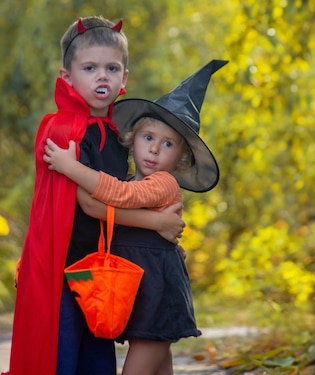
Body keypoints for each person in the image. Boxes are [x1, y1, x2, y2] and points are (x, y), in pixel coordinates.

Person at [3, 16, 185, 375]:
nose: (102, 76)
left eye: (111, 68)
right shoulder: (67, 130)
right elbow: (88, 203)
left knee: (95, 356)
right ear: (67, 77)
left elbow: (124, 194)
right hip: (65, 265)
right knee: (63, 352)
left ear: (124, 79)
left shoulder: (115, 134)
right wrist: (158, 222)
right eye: (90, 68)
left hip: (99, 268)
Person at [44, 60, 228, 375]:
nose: (154, 150)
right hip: (144, 295)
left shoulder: (162, 184)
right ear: (133, 139)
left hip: (158, 294)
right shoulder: (133, 180)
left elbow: (119, 196)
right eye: (148, 138)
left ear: (181, 159)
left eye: (167, 144)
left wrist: (70, 168)